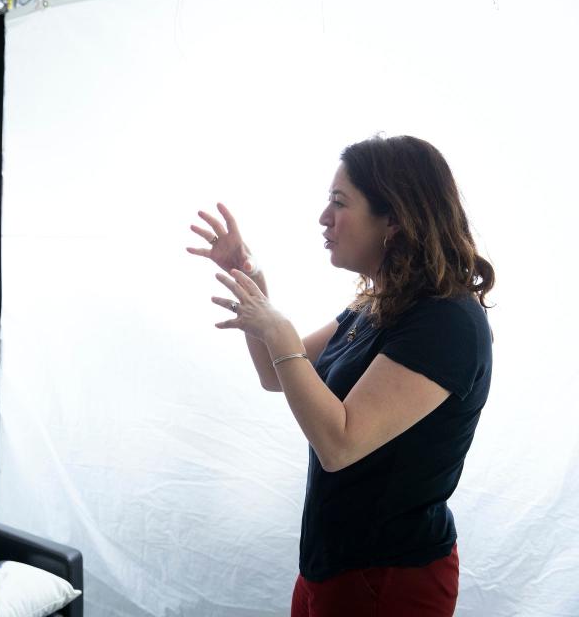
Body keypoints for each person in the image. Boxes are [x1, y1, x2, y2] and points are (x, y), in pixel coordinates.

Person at [188, 135, 494, 616]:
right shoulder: (379, 303)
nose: (323, 218)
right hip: (331, 566)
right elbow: (278, 373)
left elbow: (340, 444)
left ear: (394, 218)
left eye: (339, 202)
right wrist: (250, 278)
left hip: (389, 579)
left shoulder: (445, 321)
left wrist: (279, 326)